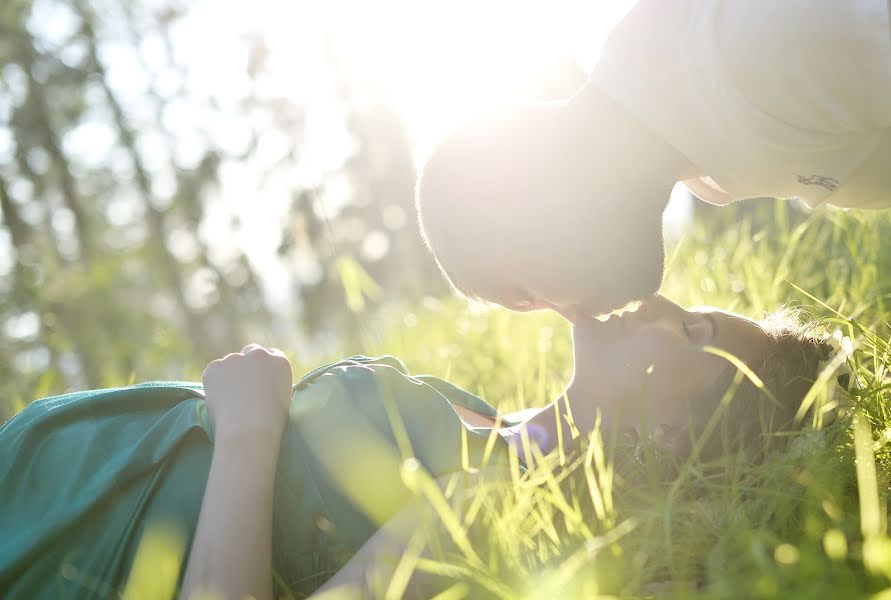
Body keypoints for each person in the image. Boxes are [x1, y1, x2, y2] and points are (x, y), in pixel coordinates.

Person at [0, 296, 833, 598]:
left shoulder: (492, 510)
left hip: (63, 548)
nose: (656, 300)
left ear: (672, 438)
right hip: (42, 472)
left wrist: (248, 437)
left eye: (693, 332)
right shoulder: (477, 417)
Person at [415, 0, 891, 318]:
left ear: (511, 194)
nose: (572, 317)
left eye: (527, 296)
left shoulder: (744, 51)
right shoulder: (698, 148)